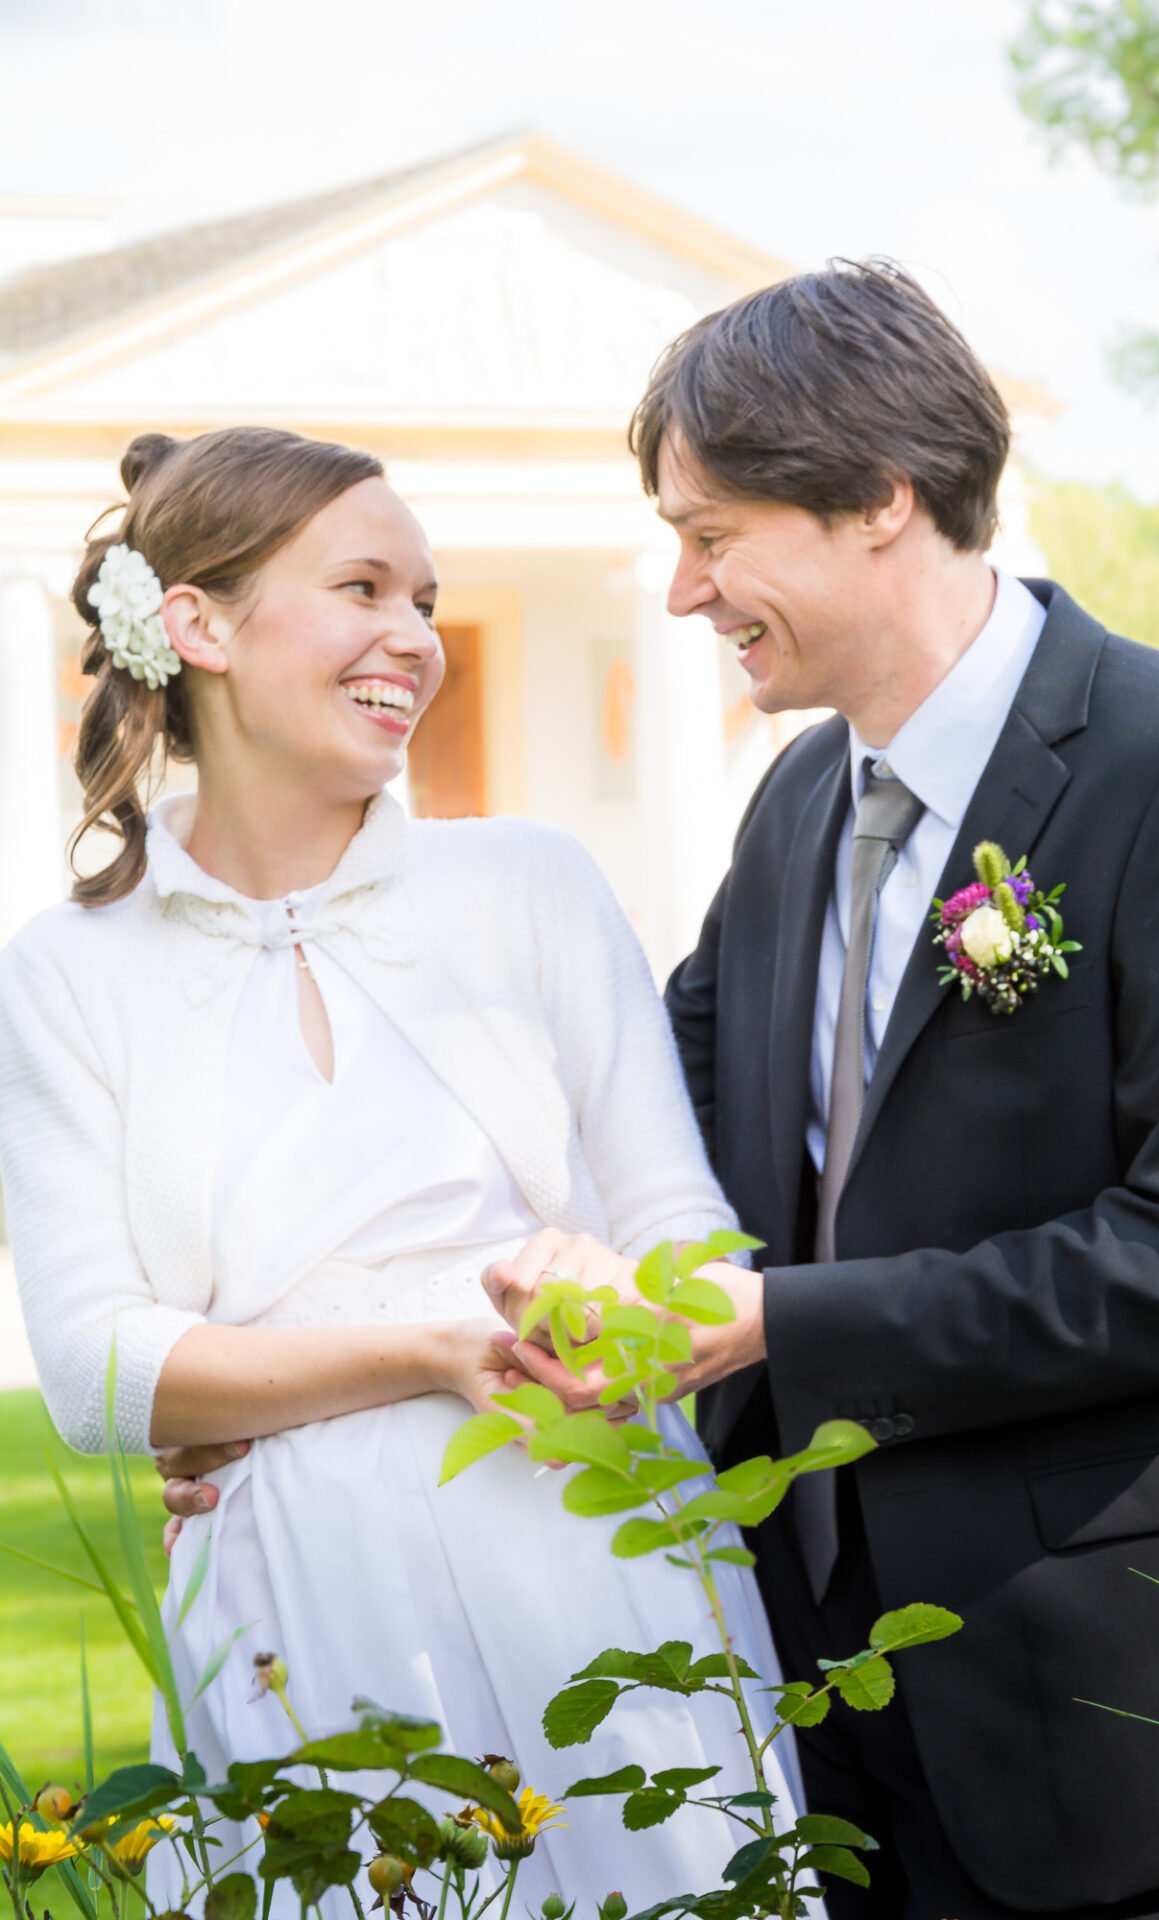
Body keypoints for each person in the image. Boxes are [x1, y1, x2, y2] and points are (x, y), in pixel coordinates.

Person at [457, 263, 1159, 1916]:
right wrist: (314, 1364)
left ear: (880, 500)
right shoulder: (794, 811)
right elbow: (646, 1111)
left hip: (1095, 1701)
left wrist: (785, 1324)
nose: (685, 594)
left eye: (712, 536)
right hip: (815, 1671)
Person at [0, 427, 805, 1913]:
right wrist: (428, 1350)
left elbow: (692, 1241)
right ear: (197, 625)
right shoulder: (66, 972)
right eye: (363, 586)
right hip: (293, 1597)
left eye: (427, 600)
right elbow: (101, 1367)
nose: (414, 639)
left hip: (593, 1557)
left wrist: (607, 1287)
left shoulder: (531, 885)